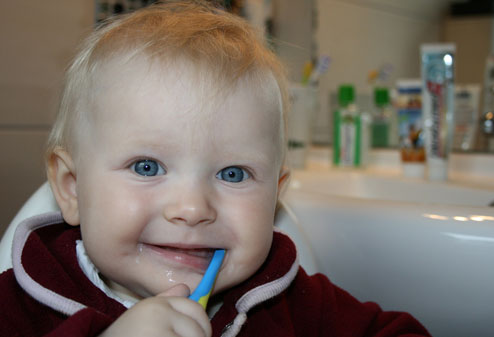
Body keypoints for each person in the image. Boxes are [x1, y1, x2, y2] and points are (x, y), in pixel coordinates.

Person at [0, 1, 431, 336]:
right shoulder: (18, 308)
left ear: (275, 193)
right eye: (147, 167)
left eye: (233, 174)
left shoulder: (293, 302)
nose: (191, 209)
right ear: (72, 188)